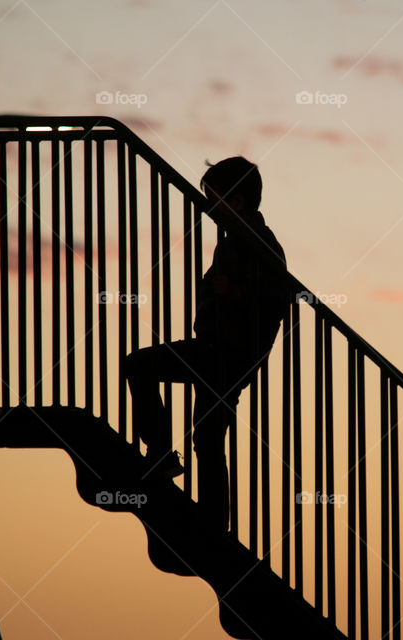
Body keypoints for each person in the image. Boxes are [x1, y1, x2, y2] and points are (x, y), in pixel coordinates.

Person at [126, 156, 287, 530]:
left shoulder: (256, 241)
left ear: (237, 202)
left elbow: (278, 297)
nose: (208, 208)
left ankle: (162, 456)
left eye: (214, 200)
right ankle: (214, 525)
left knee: (139, 365)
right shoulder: (242, 240)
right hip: (224, 352)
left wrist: (236, 292)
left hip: (225, 353)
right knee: (209, 438)